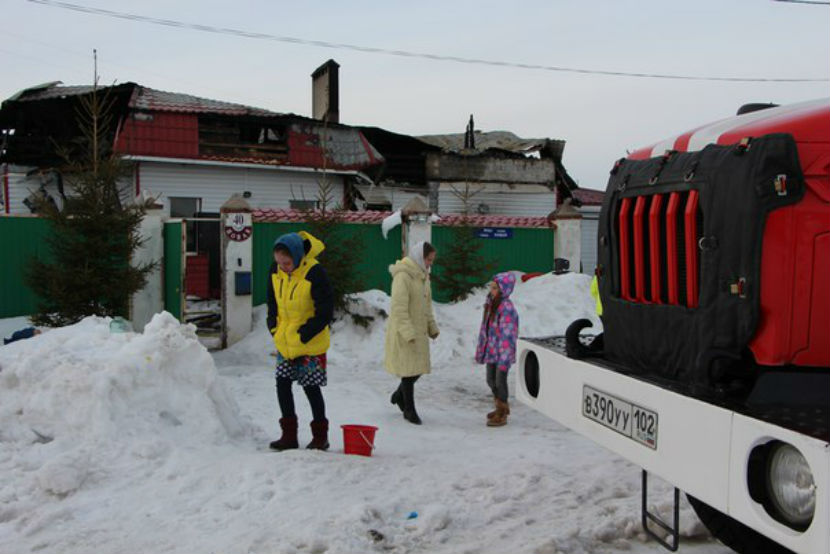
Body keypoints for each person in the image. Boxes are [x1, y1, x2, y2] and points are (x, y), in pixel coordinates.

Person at [266, 231, 334, 451]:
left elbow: (325, 310)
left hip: (309, 342)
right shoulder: (275, 271)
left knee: (311, 388)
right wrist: (273, 327)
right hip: (285, 341)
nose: (283, 267)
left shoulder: (315, 272)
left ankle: (320, 437)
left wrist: (305, 333)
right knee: (282, 385)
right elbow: (272, 301)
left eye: (286, 263)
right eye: (279, 263)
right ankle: (289, 436)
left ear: (297, 256)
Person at [384, 241, 439, 425]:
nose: (430, 263)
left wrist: (432, 326)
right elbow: (398, 308)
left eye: (432, 260)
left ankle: (399, 395)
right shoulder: (403, 276)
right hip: (404, 331)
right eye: (429, 259)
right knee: (409, 371)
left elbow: (427, 305)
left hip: (419, 330)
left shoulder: (423, 276)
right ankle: (409, 409)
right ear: (419, 257)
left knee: (418, 369)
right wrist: (408, 332)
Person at [475, 272, 519, 427]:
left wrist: (504, 357)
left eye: (494, 288)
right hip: (492, 350)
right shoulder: (491, 303)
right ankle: (500, 405)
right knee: (490, 379)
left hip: (502, 353)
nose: (491, 290)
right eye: (491, 287)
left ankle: (501, 412)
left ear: (503, 290)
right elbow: (486, 328)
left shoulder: (506, 308)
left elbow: (508, 335)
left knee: (500, 381)